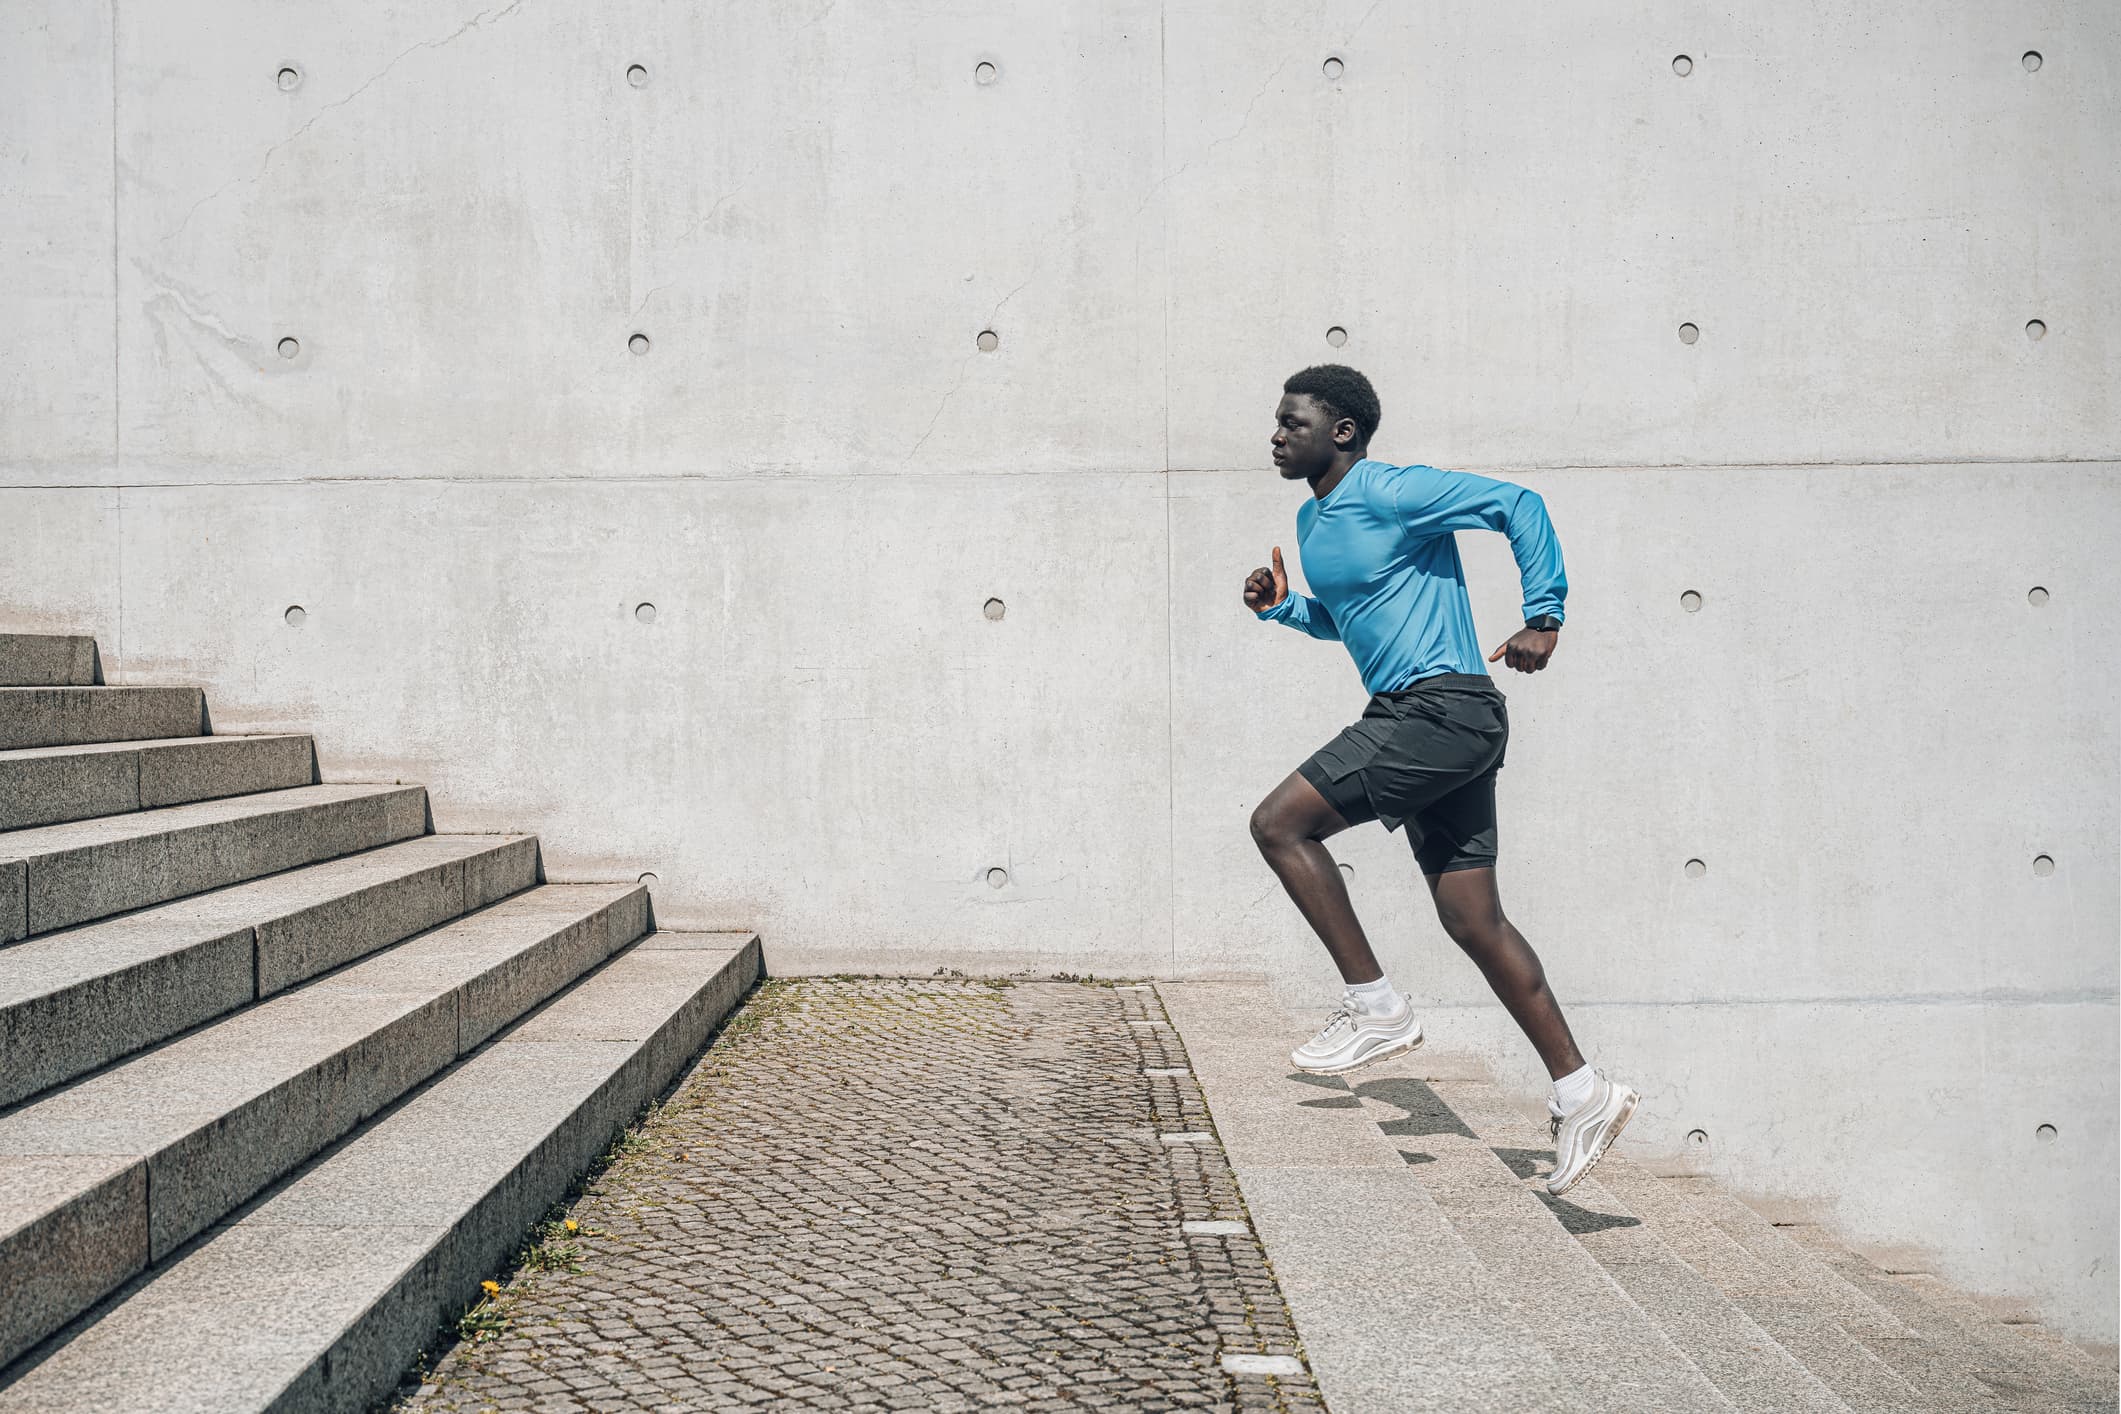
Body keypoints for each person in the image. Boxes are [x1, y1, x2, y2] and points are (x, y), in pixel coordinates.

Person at [1243, 364, 1636, 1196]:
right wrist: (1283, 607)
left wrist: (1543, 616)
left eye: (1291, 422)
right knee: (1472, 917)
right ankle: (1582, 1089)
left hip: (1438, 711)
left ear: (1340, 430)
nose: (1274, 436)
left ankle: (1376, 1007)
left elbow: (1516, 506)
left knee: (1279, 825)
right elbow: (1351, 619)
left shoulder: (1390, 490)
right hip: (1430, 713)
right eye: (1275, 424)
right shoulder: (1313, 520)